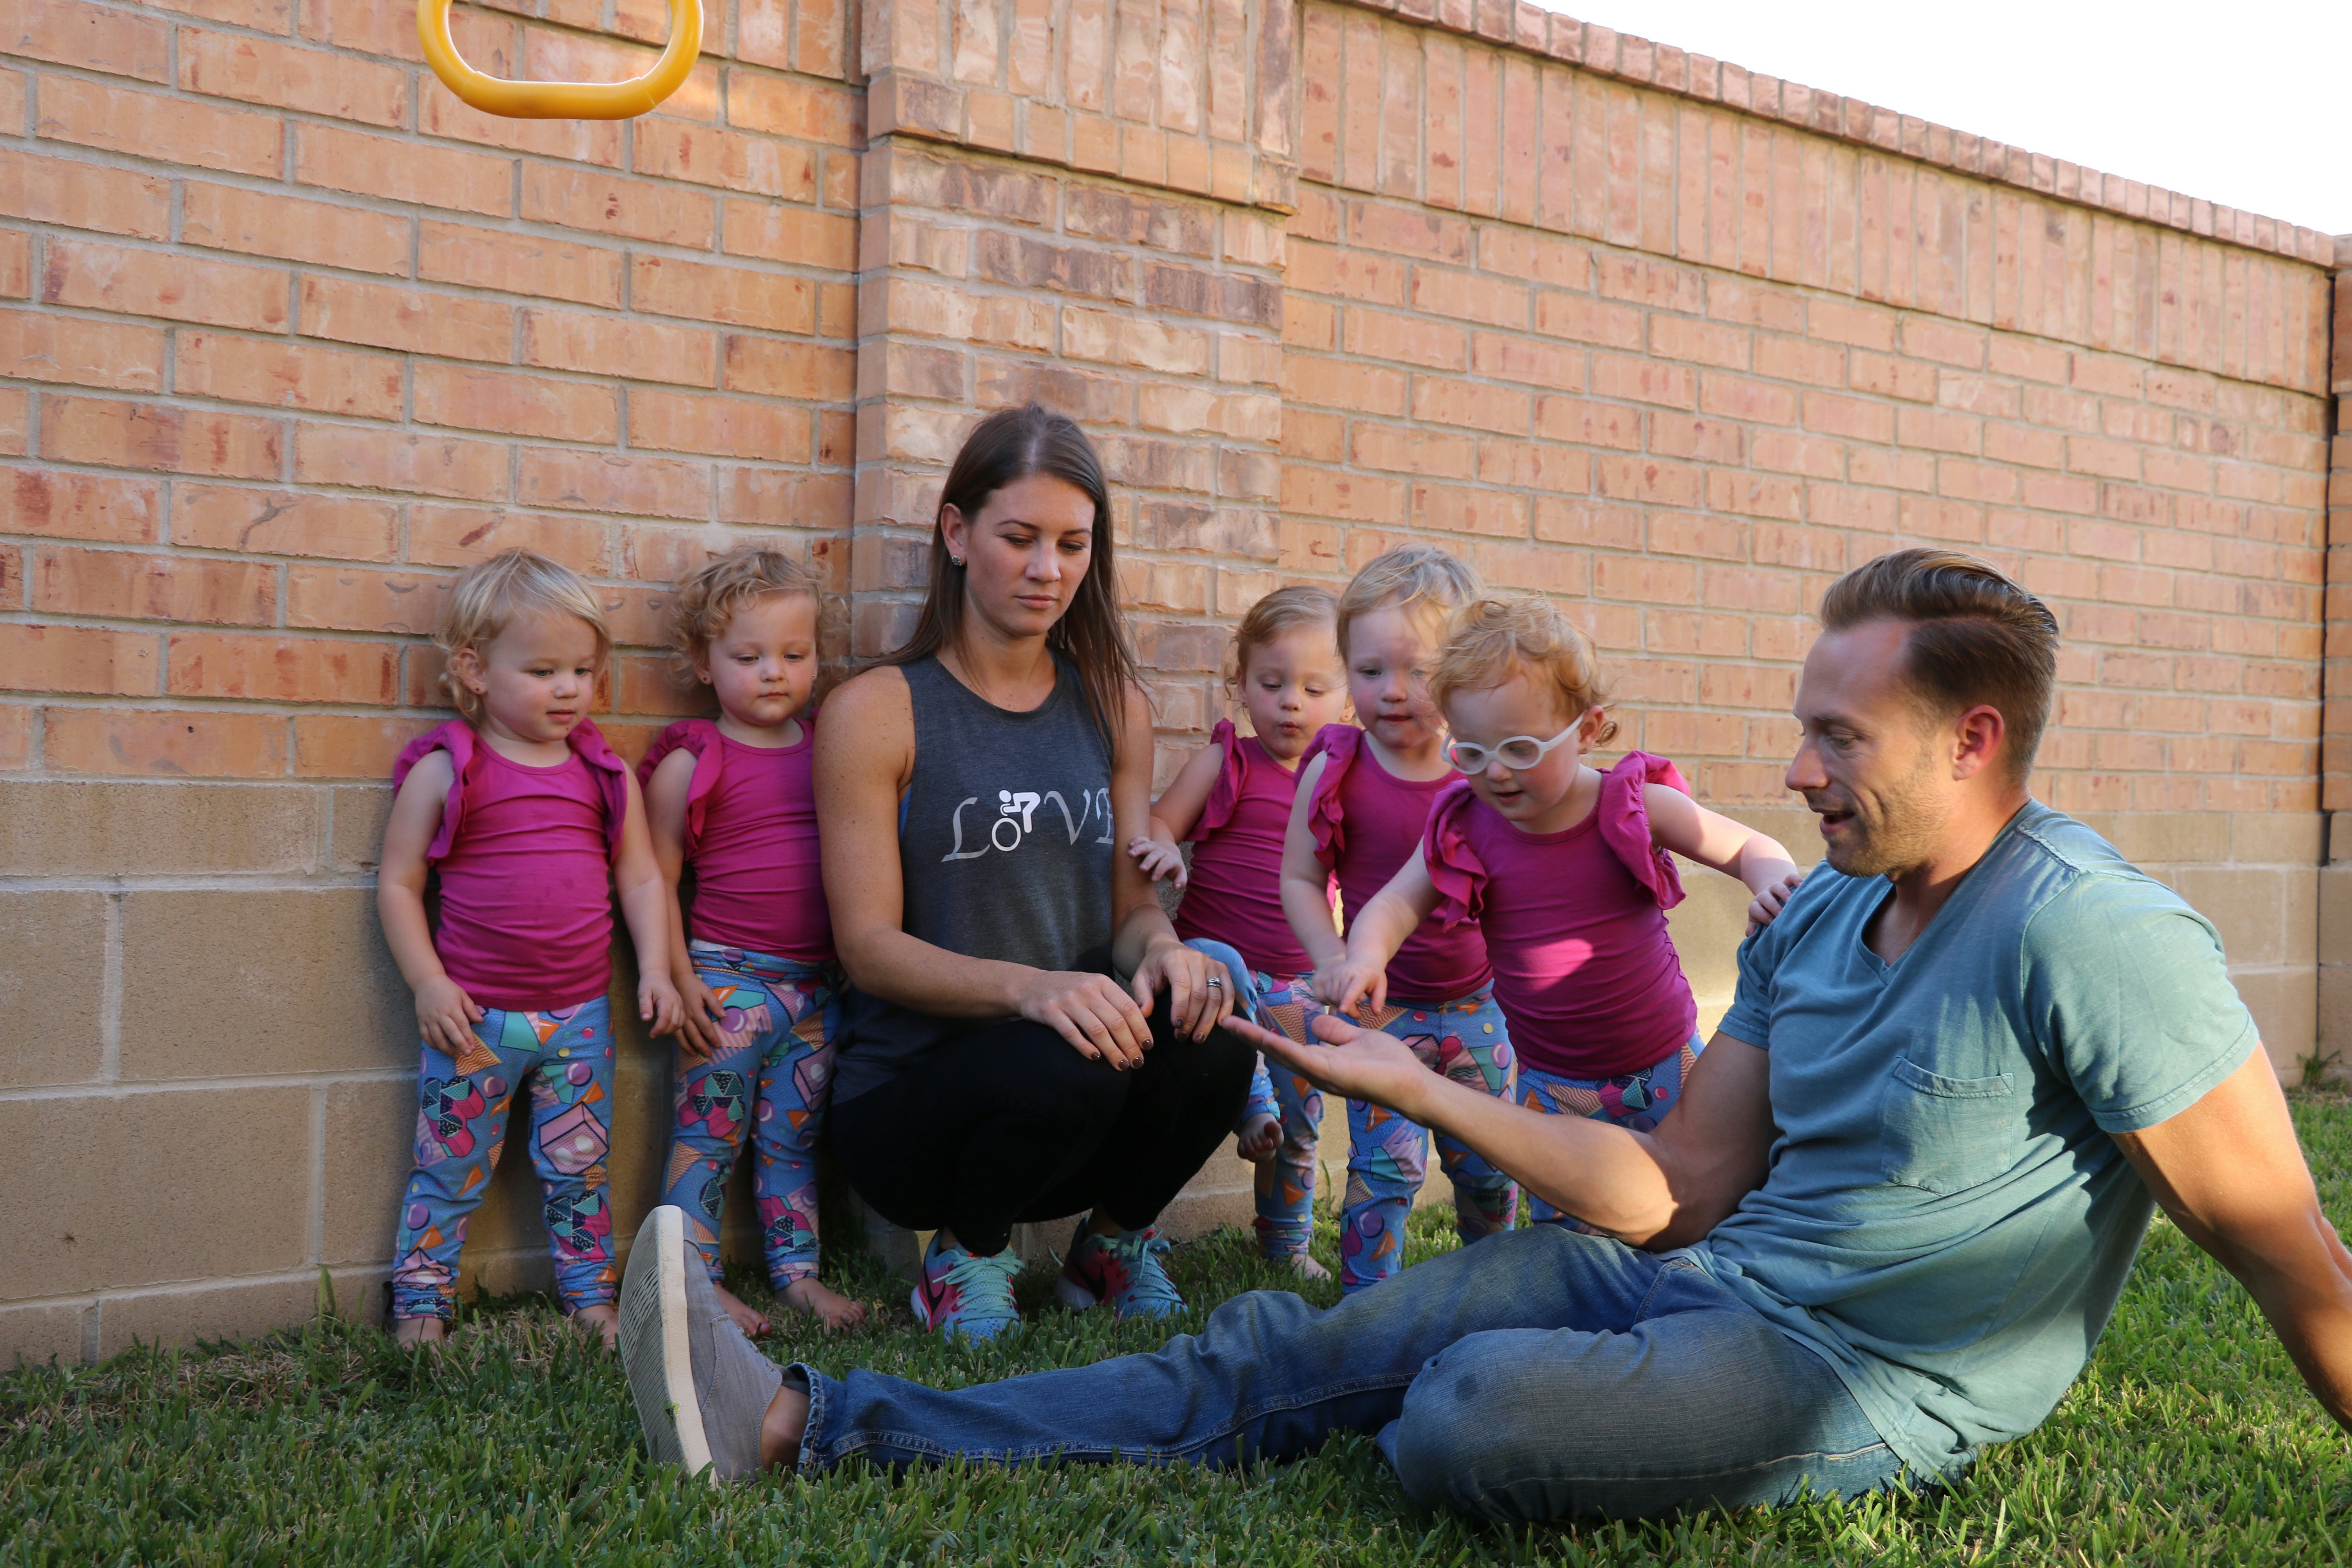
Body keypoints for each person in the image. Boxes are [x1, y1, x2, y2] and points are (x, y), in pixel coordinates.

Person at [614, 545, 2352, 1516]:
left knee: (1455, 1416)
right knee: (1293, 1351)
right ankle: (808, 1425)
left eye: (1838, 735)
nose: (1801, 769)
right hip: (1694, 1281)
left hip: (1865, 1376)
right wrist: (1397, 1077)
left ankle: (1431, 1387)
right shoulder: (1825, 913)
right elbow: (1674, 1186)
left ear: (1975, 738)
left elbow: (2292, 1257)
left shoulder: (2092, 932)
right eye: (1803, 730)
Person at [800, 403, 1254, 1343]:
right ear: (958, 532)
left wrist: (1165, 950)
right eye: (1019, 538)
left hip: (1074, 1097)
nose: (1048, 570)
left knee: (1217, 1025)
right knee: (1070, 1049)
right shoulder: (878, 710)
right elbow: (870, 947)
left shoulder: (1113, 703)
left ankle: (1111, 1243)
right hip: (915, 1111)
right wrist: (1036, 990)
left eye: (1072, 544)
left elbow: (1134, 910)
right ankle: (963, 1256)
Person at [1319, 595, 1803, 1226]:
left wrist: (1771, 882)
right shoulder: (1465, 824)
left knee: (1696, 1207)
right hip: (1549, 1083)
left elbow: (1750, 846)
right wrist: (1365, 955)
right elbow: (1394, 902)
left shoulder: (1632, 804)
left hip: (1667, 1064)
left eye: (1520, 749)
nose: (1494, 773)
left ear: (1589, 728)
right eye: (1470, 752)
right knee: (1564, 1232)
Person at [377, 549, 683, 1350]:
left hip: (579, 1019)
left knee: (581, 1171)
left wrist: (654, 965)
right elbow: (400, 883)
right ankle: (420, 1297)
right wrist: (428, 983)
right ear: (474, 670)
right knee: (448, 1168)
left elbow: (643, 879)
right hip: (473, 1023)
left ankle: (590, 1299)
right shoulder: (451, 770)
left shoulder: (603, 770)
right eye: (543, 669)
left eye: (582, 669)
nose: (568, 688)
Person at [639, 547, 866, 1336]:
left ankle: (796, 1274)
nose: (774, 671)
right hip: (728, 985)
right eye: (749, 656)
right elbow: (655, 878)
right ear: (703, 660)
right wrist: (673, 974)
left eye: (794, 655)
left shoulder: (830, 750)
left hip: (816, 992)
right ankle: (691, 1284)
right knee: (707, 1141)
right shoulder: (693, 761)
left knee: (791, 1139)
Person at [1280, 546, 1517, 1291]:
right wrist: (1330, 956)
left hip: (1482, 1010)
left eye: (1419, 671)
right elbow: (1299, 876)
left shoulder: (1485, 773)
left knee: (1489, 1171)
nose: (1393, 691)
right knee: (1385, 1170)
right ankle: (1366, 1311)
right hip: (1383, 1014)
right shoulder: (1337, 768)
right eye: (1370, 670)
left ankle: (1490, 1286)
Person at [1127, 585, 1351, 1277]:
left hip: (1296, 987)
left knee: (1299, 1127)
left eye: (1314, 689)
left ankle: (1286, 1244)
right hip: (1212, 974)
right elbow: (1160, 821)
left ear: (1346, 699)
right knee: (1160, 1112)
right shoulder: (1228, 762)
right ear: (1241, 684)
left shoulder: (1345, 781)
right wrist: (1165, 848)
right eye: (1272, 682)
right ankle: (1133, 1229)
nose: (1291, 702)